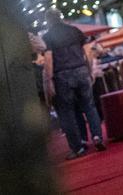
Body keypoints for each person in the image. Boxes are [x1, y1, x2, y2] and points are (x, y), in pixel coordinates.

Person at [42, 10, 105, 158]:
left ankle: (78, 148)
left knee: (67, 112)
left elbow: (49, 58)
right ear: (61, 17)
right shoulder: (74, 30)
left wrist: (49, 79)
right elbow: (88, 51)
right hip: (81, 70)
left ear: (48, 21)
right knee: (89, 106)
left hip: (62, 75)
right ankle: (97, 136)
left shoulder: (47, 37)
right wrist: (89, 70)